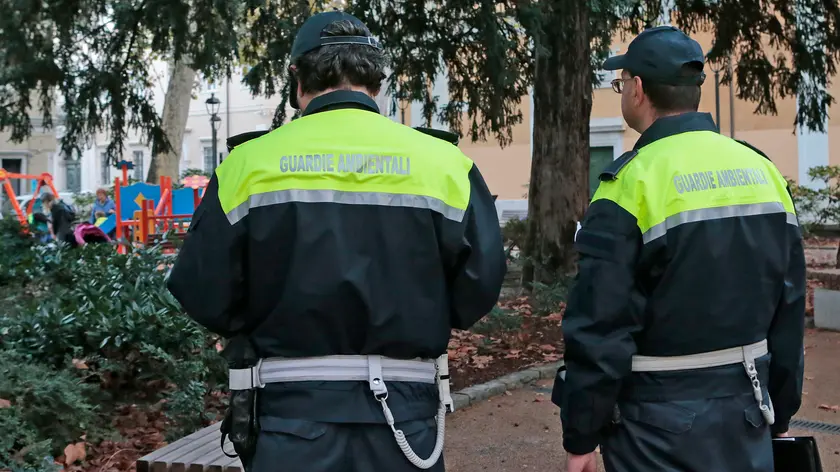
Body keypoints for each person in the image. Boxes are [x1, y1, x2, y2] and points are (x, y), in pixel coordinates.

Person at [166, 10, 505, 472]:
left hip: (289, 418)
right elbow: (479, 286)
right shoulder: (443, 164)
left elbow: (203, 291)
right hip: (404, 419)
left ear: (295, 79)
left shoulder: (246, 167)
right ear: (376, 79)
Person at [554, 26, 805, 472]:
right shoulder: (762, 171)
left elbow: (601, 326)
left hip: (655, 429)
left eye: (621, 83)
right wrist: (779, 412)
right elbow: (788, 310)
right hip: (747, 415)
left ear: (638, 89)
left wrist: (582, 436)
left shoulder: (630, 184)